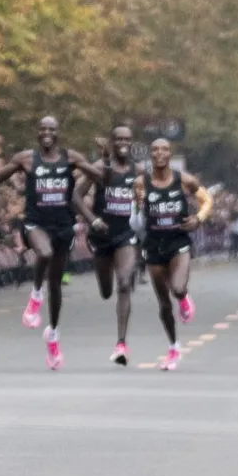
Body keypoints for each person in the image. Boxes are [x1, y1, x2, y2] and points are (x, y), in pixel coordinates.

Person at [0, 118, 103, 369]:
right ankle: (35, 295)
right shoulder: (25, 159)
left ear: (58, 134)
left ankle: (53, 334)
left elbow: (102, 177)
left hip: (63, 226)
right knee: (43, 253)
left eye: (52, 129)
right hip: (35, 223)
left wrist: (106, 158)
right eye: (43, 129)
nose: (47, 133)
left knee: (56, 286)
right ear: (38, 134)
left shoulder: (71, 158)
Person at [135, 139, 212, 371]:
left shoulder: (185, 180)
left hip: (178, 241)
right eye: (155, 149)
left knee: (177, 288)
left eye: (164, 149)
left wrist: (198, 218)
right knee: (163, 303)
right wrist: (138, 206)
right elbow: (137, 219)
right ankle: (173, 346)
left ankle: (184, 297)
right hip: (153, 244)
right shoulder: (141, 183)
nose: (160, 153)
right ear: (150, 155)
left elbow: (207, 200)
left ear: (170, 154)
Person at [72, 126, 141, 366]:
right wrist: (92, 220)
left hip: (125, 234)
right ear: (111, 142)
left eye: (127, 139)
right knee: (106, 291)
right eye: (119, 138)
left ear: (132, 143)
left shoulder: (138, 170)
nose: (123, 142)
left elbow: (151, 197)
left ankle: (121, 343)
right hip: (101, 235)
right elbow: (76, 196)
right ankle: (107, 283)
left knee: (124, 283)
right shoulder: (100, 167)